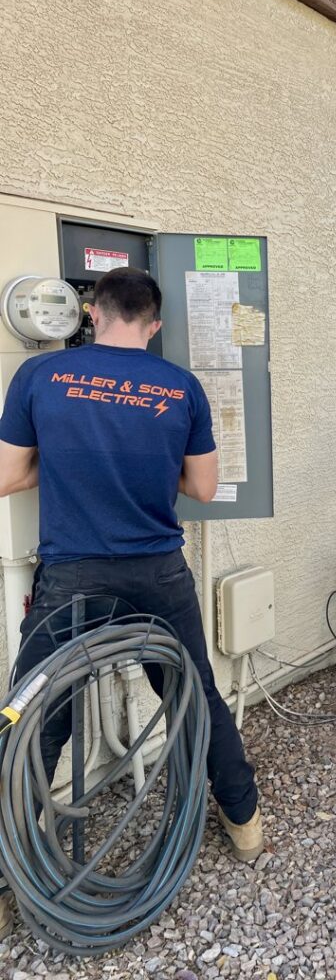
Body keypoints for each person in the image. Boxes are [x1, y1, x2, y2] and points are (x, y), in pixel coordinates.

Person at [0, 267, 263, 939]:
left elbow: (9, 477)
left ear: (92, 311)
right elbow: (202, 488)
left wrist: (64, 464)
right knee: (193, 695)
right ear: (155, 325)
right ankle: (246, 827)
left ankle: (9, 853)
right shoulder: (181, 386)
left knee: (35, 710)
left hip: (71, 574)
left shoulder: (39, 378)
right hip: (155, 571)